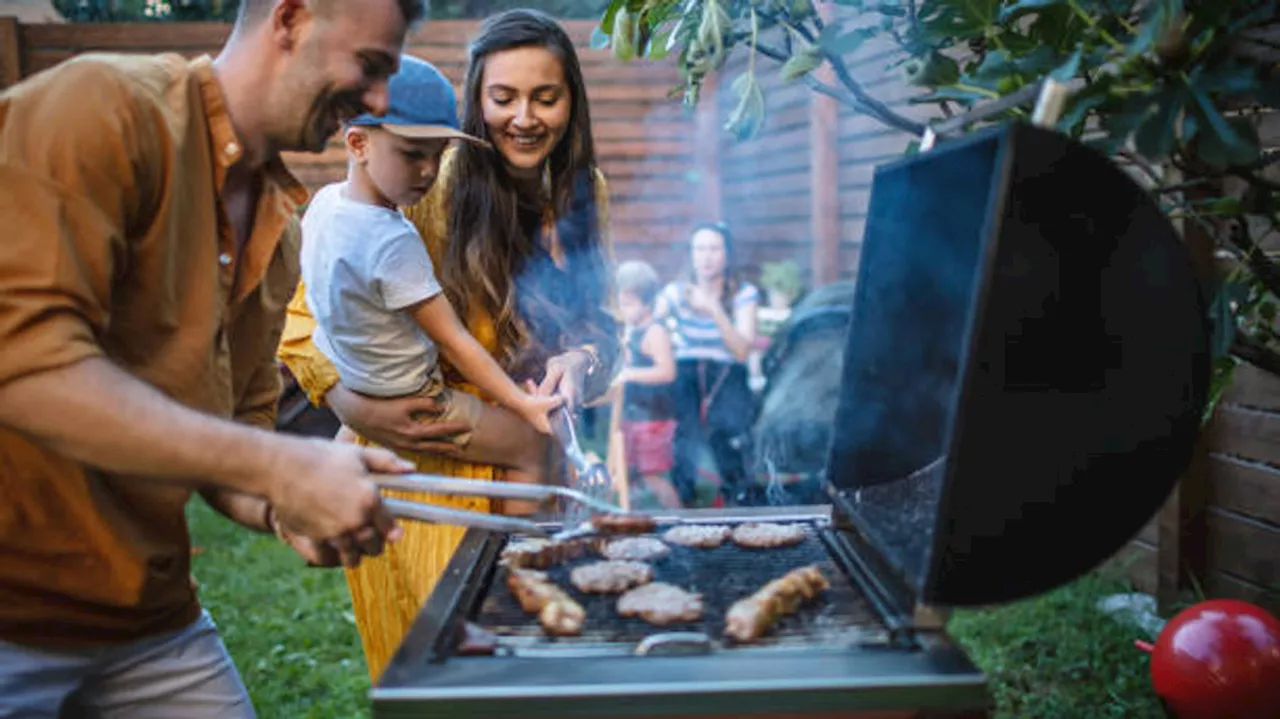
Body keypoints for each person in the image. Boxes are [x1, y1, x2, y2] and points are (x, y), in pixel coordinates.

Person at [0, 0, 437, 715]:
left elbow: (237, 432)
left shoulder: (280, 232)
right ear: (291, 19)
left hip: (149, 619)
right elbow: (22, 362)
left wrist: (282, 507)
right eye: (371, 66)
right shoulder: (102, 108)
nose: (381, 101)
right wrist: (281, 467)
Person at [277, 8, 621, 681]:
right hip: (430, 471)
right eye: (503, 98)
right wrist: (356, 404)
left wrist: (581, 361)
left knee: (534, 664)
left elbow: (603, 324)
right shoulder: (428, 176)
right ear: (476, 101)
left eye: (545, 97)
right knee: (444, 678)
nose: (524, 117)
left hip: (541, 468)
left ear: (571, 102)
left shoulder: (588, 191)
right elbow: (303, 321)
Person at [301, 54, 565, 491]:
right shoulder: (392, 240)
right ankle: (516, 556)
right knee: (535, 450)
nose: (428, 170)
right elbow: (454, 340)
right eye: (411, 154)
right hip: (417, 399)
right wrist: (522, 403)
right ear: (358, 143)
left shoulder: (325, 204)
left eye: (438, 154)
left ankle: (331, 477)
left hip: (354, 375)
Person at [656, 222, 760, 508]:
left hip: (726, 373)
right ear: (690, 254)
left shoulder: (743, 294)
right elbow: (649, 323)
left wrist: (714, 309)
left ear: (727, 255)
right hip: (686, 372)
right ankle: (685, 503)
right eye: (699, 249)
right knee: (684, 438)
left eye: (714, 249)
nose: (706, 256)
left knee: (728, 437)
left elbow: (741, 351)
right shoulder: (675, 292)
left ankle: (740, 501)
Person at [613, 260, 681, 509]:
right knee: (629, 473)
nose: (623, 310)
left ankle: (680, 519)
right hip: (634, 414)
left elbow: (667, 371)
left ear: (648, 302)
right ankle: (632, 519)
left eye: (628, 304)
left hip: (654, 419)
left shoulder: (655, 332)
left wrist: (629, 373)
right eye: (620, 303)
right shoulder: (634, 330)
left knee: (653, 476)